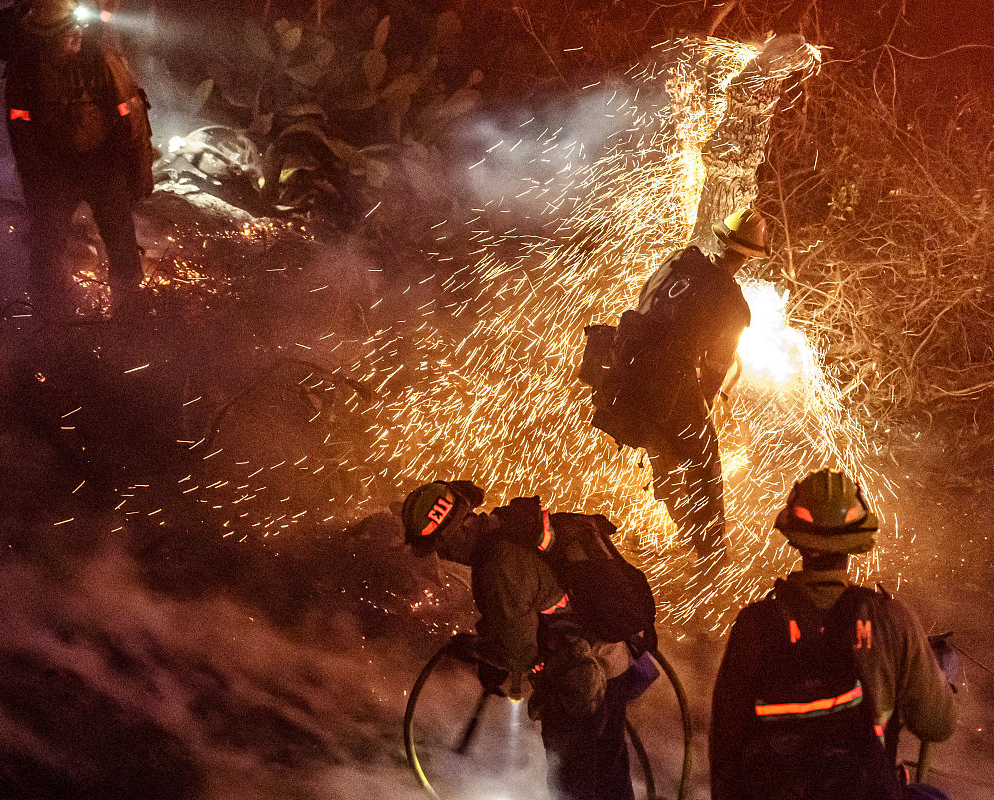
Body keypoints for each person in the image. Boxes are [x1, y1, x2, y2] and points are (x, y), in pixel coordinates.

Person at [708, 469, 958, 800]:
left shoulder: (754, 625)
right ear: (858, 538)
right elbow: (937, 724)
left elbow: (725, 744)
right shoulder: (891, 620)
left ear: (794, 537)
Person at [402, 480, 658, 800]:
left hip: (580, 683)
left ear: (460, 529)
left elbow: (520, 652)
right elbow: (529, 608)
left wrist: (474, 649)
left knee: (572, 788)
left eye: (443, 546)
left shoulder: (497, 564)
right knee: (608, 779)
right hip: (609, 661)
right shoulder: (508, 533)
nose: (445, 556)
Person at [588, 208, 767, 559]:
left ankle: (679, 524)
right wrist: (704, 407)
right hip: (667, 379)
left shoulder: (680, 260)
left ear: (721, 238)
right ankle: (712, 555)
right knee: (705, 461)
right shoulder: (732, 302)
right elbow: (716, 369)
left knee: (662, 447)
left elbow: (645, 301)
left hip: (625, 361)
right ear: (748, 257)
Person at [0, 0, 153, 316]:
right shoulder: (25, 69)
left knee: (121, 239)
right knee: (47, 246)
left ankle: (130, 310)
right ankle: (51, 317)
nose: (77, 33)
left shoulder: (102, 58)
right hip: (53, 169)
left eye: (77, 26)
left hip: (102, 163)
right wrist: (33, 181)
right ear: (45, 36)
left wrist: (139, 170)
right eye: (67, 31)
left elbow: (131, 112)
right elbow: (20, 126)